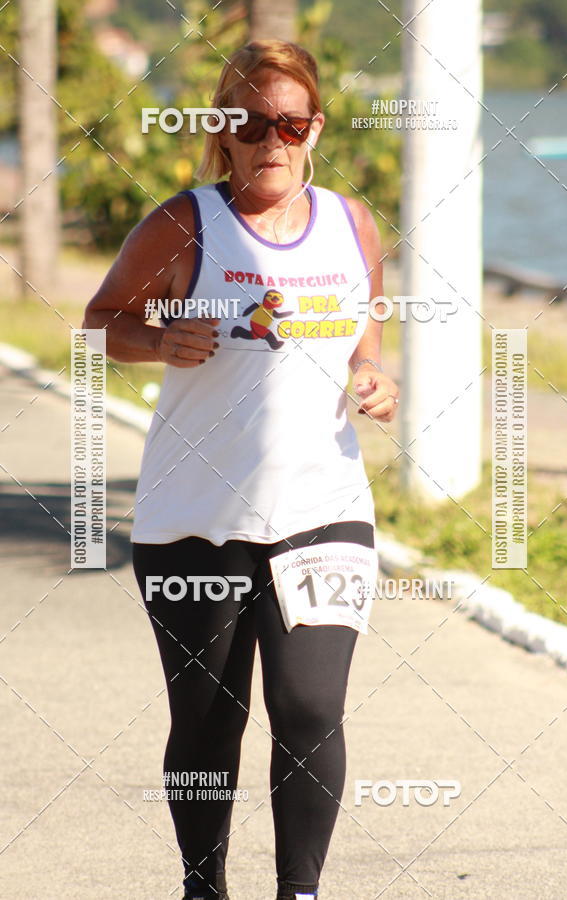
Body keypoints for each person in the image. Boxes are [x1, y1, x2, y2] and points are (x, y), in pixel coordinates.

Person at [83, 39, 399, 900]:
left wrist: (373, 375)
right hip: (195, 519)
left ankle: (300, 892)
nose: (272, 140)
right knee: (209, 722)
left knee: (308, 709)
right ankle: (203, 887)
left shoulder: (351, 223)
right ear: (223, 132)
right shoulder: (185, 224)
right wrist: (159, 339)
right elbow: (100, 319)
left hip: (323, 509)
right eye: (251, 123)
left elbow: (365, 330)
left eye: (289, 124)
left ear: (314, 129)